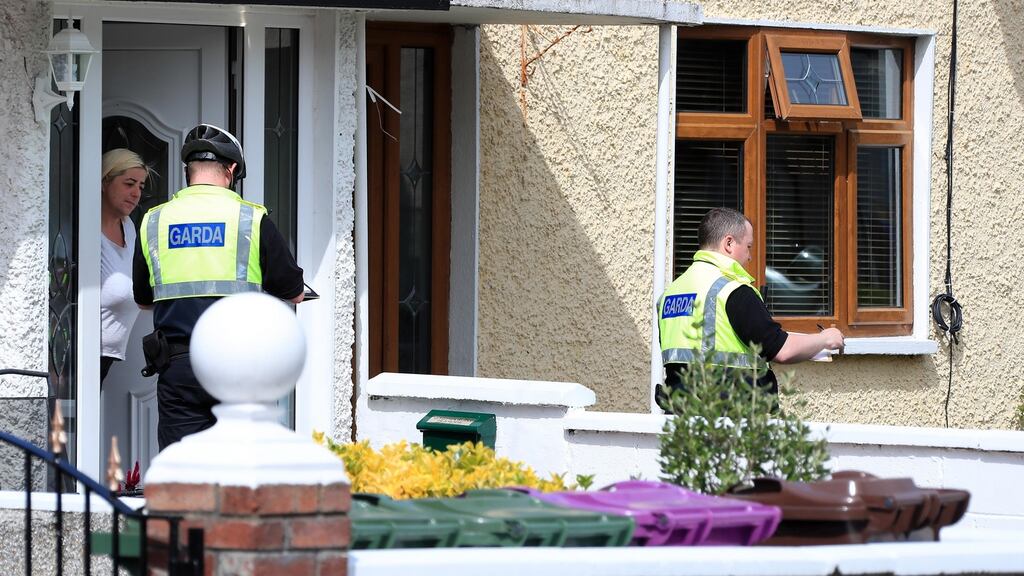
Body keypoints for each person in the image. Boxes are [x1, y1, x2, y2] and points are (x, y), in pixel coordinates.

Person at [133, 123, 304, 450]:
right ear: (232, 170)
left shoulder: (154, 220)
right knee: (242, 465)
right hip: (240, 367)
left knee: (181, 467)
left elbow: (143, 299)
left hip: (179, 367)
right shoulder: (251, 219)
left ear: (188, 171)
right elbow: (293, 291)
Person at [657, 207, 845, 400]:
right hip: (730, 412)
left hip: (683, 411)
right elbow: (782, 350)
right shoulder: (732, 290)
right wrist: (825, 339)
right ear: (729, 243)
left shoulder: (670, 294)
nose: (750, 256)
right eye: (748, 246)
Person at [101, 149, 150, 383]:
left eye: (140, 186)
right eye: (129, 184)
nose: (136, 193)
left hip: (107, 356)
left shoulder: (128, 226)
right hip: (76, 356)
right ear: (104, 181)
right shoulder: (86, 230)